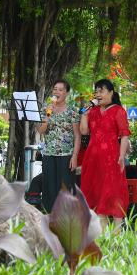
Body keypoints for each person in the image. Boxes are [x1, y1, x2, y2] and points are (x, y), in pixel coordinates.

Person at [79, 78, 130, 222]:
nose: (98, 95)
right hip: (92, 158)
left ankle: (116, 231)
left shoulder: (118, 111)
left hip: (111, 157)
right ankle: (100, 231)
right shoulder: (93, 111)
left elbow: (124, 135)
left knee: (113, 192)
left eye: (101, 91)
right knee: (96, 192)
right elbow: (84, 131)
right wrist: (84, 114)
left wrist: (121, 156)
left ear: (111, 92)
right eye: (96, 92)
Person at [35, 79, 81, 213]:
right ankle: (48, 215)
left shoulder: (72, 111)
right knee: (49, 187)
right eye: (55, 89)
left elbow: (77, 135)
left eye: (60, 90)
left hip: (66, 155)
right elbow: (41, 131)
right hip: (48, 154)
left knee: (65, 188)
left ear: (66, 93)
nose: (57, 92)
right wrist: (47, 116)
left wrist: (74, 156)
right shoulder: (46, 109)